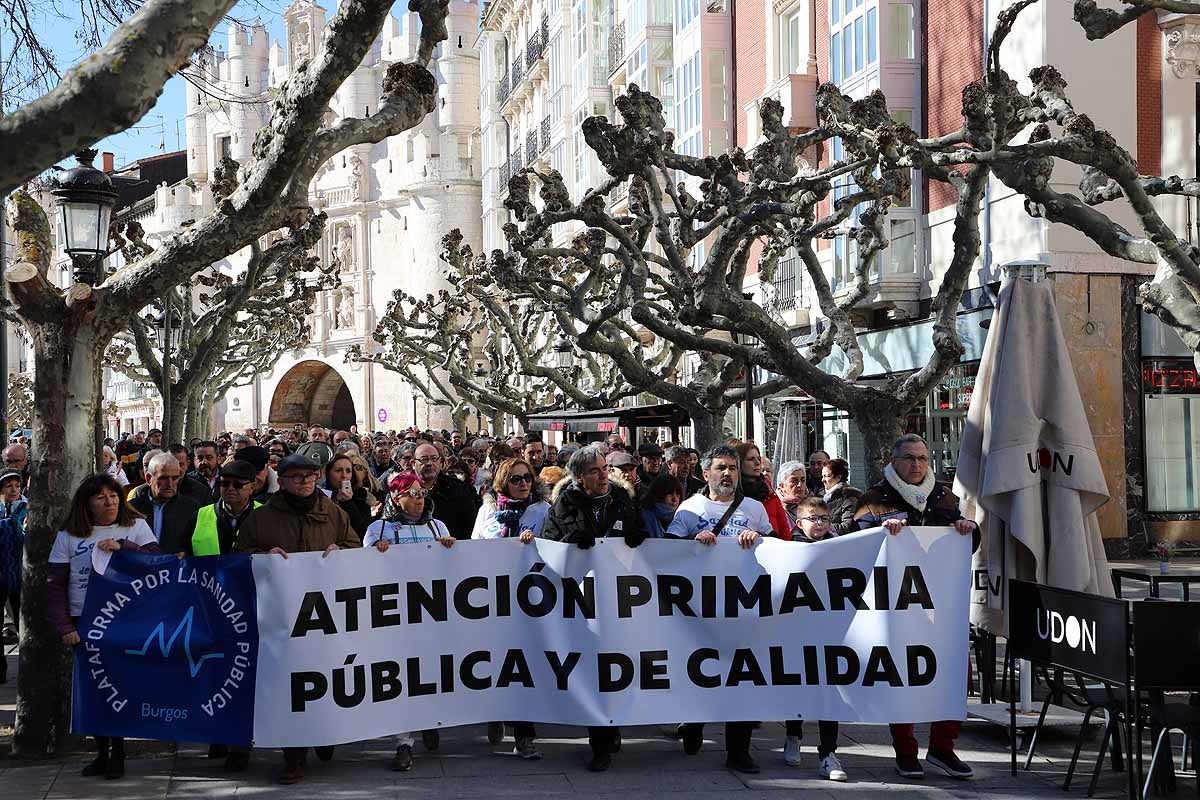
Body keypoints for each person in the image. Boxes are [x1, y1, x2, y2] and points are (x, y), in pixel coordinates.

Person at [853, 433, 979, 781]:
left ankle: (943, 747)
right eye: (910, 458)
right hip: (898, 605)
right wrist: (881, 529)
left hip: (940, 606)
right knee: (902, 674)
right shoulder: (875, 498)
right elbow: (857, 538)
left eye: (923, 459)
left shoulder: (942, 495)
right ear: (894, 462)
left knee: (953, 671)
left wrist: (968, 528)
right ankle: (905, 751)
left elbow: (964, 540)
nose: (917, 465)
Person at [235, 454, 361, 784]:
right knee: (291, 686)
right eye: (296, 476)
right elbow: (238, 556)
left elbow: (354, 545)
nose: (304, 482)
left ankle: (324, 735)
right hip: (282, 616)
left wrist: (342, 553)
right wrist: (263, 558)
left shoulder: (334, 512)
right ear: (283, 479)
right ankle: (293, 757)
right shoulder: (262, 518)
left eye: (309, 476)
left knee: (327, 677)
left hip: (326, 614)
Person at [666, 445, 773, 774]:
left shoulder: (754, 509)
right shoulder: (689, 508)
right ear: (706, 473)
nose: (727, 474)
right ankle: (695, 723)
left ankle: (738, 751)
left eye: (733, 468)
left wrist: (759, 539)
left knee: (740, 676)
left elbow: (778, 553)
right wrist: (693, 542)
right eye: (721, 468)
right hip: (700, 609)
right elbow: (665, 551)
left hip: (742, 607)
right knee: (702, 670)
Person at [48, 474, 160, 778]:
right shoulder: (69, 535)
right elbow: (55, 584)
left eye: (113, 495)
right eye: (101, 497)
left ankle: (118, 753)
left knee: (119, 687)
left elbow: (156, 561)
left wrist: (125, 547)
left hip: (125, 619)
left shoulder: (135, 526)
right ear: (87, 503)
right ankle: (101, 751)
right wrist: (64, 627)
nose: (109, 501)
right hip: (83, 620)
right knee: (93, 689)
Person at [543, 444, 645, 771]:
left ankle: (612, 725)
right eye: (594, 471)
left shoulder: (623, 499)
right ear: (578, 476)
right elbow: (548, 547)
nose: (603, 476)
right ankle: (599, 741)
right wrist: (572, 544)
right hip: (581, 601)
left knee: (617, 665)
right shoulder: (563, 505)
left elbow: (643, 538)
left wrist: (635, 537)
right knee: (593, 668)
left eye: (604, 468)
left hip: (619, 599)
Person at [469, 457, 547, 758]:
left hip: (530, 600)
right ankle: (495, 712)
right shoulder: (488, 510)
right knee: (496, 663)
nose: (524, 483)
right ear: (504, 481)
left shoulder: (541, 510)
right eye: (516, 479)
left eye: (527, 477)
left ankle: (525, 735)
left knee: (524, 667)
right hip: (494, 600)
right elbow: (474, 545)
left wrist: (534, 543)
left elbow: (555, 545)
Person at [189, 459, 260, 770]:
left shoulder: (264, 515)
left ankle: (239, 745)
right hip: (210, 610)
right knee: (213, 673)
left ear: (252, 487)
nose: (229, 489)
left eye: (237, 485)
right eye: (224, 483)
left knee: (243, 678)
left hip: (253, 609)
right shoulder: (201, 515)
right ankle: (217, 732)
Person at [781, 497, 848, 781]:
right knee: (797, 687)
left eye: (824, 518)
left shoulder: (838, 547)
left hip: (829, 632)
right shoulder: (786, 549)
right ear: (799, 523)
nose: (819, 524)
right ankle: (794, 735)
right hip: (796, 631)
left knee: (827, 691)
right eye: (813, 518)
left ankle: (827, 753)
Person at [129, 452, 200, 555]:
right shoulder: (131, 509)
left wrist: (185, 555)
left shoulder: (192, 509)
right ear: (149, 478)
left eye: (175, 478)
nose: (170, 484)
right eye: (163, 478)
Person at [415, 442, 481, 539]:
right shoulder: (402, 488)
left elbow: (470, 525)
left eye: (434, 459)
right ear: (413, 463)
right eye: (424, 459)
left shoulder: (459, 489)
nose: (429, 463)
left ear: (440, 462)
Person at [735, 442, 792, 540]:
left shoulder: (769, 492)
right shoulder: (731, 494)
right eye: (750, 459)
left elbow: (784, 530)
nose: (757, 463)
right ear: (739, 463)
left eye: (758, 459)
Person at [0, 469, 26, 657]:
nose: (13, 489)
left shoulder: (27, 507)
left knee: (22, 621)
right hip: (1, 573)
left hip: (20, 573)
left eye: (17, 485)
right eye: (8, 486)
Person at [322, 454, 373, 538]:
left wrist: (347, 503)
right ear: (328, 473)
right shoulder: (320, 496)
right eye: (338, 470)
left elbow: (363, 532)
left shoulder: (360, 496)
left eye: (348, 471)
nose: (344, 476)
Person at [821, 458, 862, 536]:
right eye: (822, 476)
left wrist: (824, 526)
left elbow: (847, 527)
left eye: (827, 476)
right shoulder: (821, 495)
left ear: (838, 477)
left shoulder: (849, 497)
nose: (822, 480)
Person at [639, 473, 683, 539]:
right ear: (658, 495)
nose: (675, 499)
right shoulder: (641, 518)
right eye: (670, 493)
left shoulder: (683, 520)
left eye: (677, 494)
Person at [774, 460, 809, 538]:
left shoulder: (813, 504)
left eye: (803, 480)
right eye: (794, 481)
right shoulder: (775, 507)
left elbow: (831, 532)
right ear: (782, 486)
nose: (800, 485)